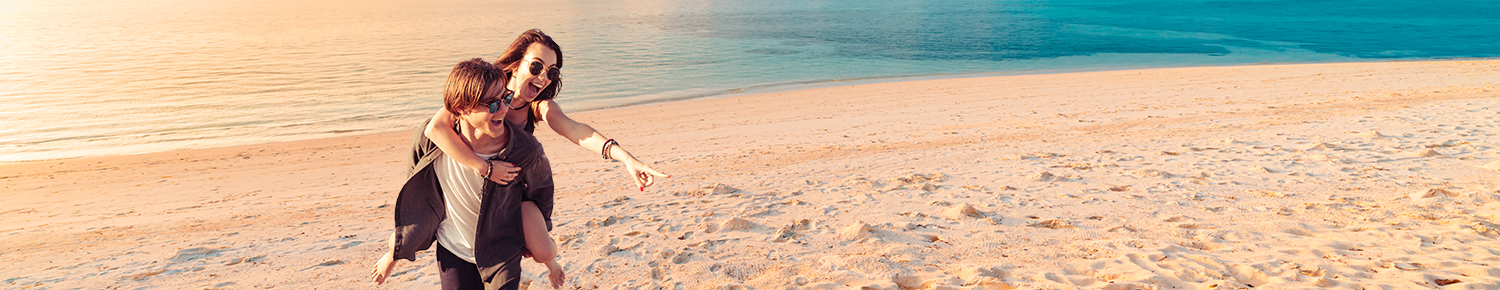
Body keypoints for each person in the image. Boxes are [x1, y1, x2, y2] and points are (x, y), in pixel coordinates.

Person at [369, 58, 565, 290]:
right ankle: (391, 255)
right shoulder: (430, 138)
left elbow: (542, 192)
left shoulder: (525, 149)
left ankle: (551, 260)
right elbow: (416, 173)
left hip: (501, 249)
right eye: (492, 104)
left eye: (506, 98)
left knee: (543, 250)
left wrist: (535, 237)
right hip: (453, 246)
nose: (503, 109)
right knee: (406, 236)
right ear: (461, 108)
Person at [424, 29, 668, 191]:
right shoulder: (483, 88)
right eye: (537, 66)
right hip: (458, 180)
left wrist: (626, 157)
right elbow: (435, 129)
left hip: (501, 190)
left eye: (551, 72)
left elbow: (577, 131)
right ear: (517, 63)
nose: (543, 77)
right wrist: (483, 168)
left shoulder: (540, 108)